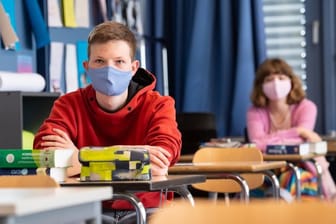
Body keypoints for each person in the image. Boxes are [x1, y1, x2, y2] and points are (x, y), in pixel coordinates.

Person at [33, 21, 182, 223]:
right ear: (87, 67)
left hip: (147, 212)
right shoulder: (68, 104)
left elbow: (158, 164)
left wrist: (81, 158)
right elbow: (46, 156)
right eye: (100, 61)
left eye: (119, 61)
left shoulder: (159, 105)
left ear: (133, 67)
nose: (109, 70)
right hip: (84, 211)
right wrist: (131, 160)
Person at [246, 57, 336, 200]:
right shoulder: (254, 111)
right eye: (269, 79)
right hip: (267, 169)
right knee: (255, 186)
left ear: (291, 82)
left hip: (304, 168)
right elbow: (256, 143)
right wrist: (297, 131)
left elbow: (301, 141)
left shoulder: (306, 107)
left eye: (281, 78)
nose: (276, 83)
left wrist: (269, 140)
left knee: (290, 180)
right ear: (260, 85)